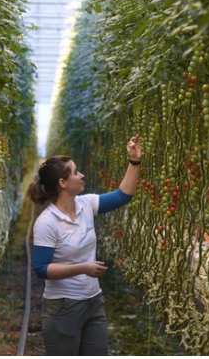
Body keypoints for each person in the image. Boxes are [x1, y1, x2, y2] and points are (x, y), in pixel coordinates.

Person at [28, 135, 142, 356]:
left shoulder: (86, 204)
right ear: (63, 183)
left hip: (93, 302)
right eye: (76, 172)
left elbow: (123, 196)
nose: (82, 175)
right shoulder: (47, 222)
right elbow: (41, 269)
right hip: (62, 307)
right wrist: (82, 267)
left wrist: (134, 161)